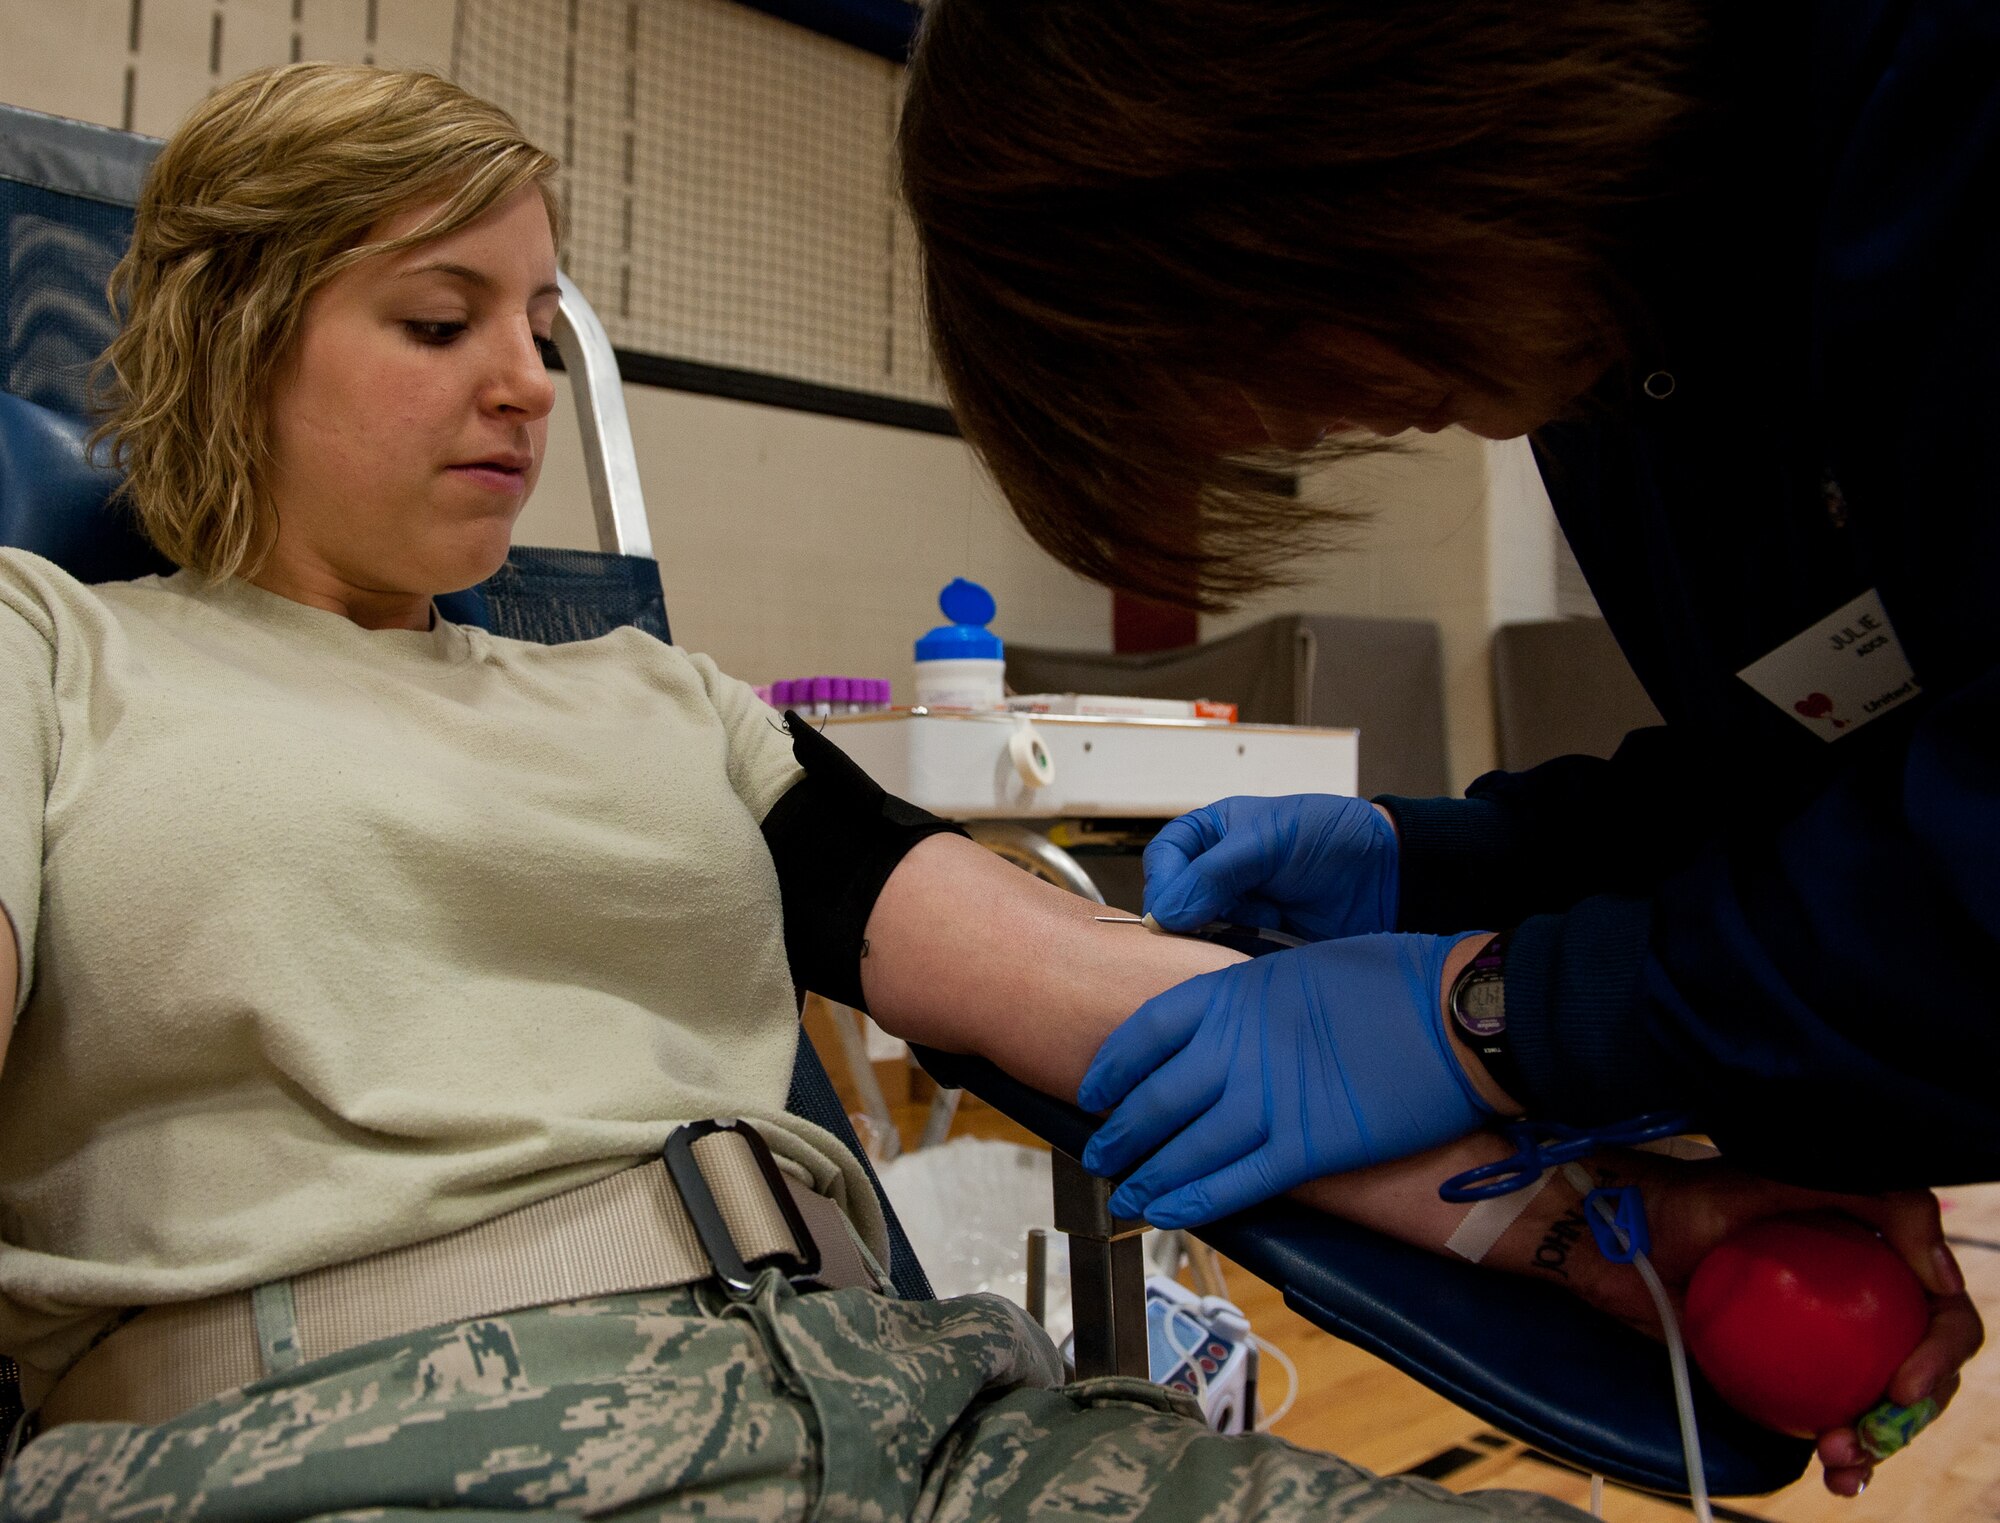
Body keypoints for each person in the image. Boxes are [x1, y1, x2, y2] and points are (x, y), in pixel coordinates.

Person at [0, 61, 1966, 1519]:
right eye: (440, 320)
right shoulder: (52, 648)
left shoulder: (657, 701)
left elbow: (1098, 1003)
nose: (521, 380)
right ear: (228, 340)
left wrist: (1647, 1223)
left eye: (538, 322)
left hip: (918, 1413)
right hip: (330, 1448)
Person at [897, 0, 1994, 1491]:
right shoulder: (1609, 332)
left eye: (1272, 356)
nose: (1321, 421)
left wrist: (1496, 1014)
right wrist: (1455, 868)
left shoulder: (1947, 99)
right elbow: (1820, 758)